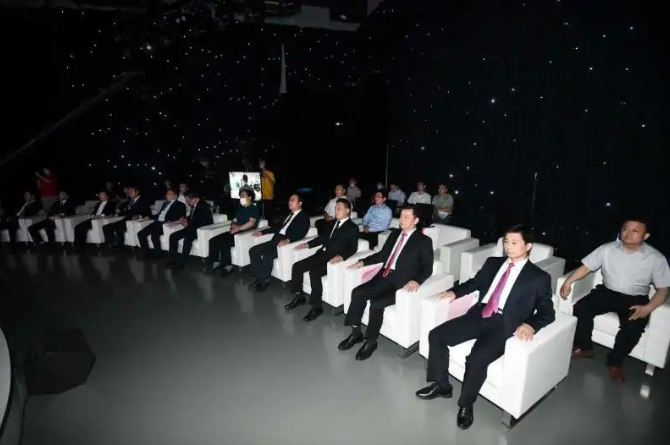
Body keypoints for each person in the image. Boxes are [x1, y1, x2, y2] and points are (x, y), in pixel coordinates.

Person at [416, 224, 554, 430]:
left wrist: (531, 324)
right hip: (479, 314)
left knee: (477, 358)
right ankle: (442, 385)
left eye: (514, 242)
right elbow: (475, 283)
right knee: (436, 335)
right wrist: (455, 292)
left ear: (528, 246)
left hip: (504, 325)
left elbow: (547, 312)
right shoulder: (493, 263)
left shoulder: (538, 277)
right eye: (506, 242)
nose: (508, 246)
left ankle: (466, 404)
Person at [560, 218, 670, 383]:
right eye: (626, 228)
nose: (628, 233)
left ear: (646, 236)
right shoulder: (607, 249)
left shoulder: (656, 258)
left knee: (633, 327)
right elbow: (586, 267)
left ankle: (615, 362)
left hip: (635, 298)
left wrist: (648, 308)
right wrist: (568, 281)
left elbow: (663, 290)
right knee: (582, 308)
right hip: (607, 292)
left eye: (635, 230)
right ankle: (585, 348)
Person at [339, 205, 433, 361]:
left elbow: (427, 267)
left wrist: (417, 281)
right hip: (384, 276)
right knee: (358, 293)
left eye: (406, 217)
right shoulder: (395, 234)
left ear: (416, 220)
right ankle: (356, 333)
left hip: (401, 283)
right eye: (401, 216)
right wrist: (363, 262)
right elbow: (383, 255)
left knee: (377, 303)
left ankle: (371, 341)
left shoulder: (423, 241)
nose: (401, 219)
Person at [286, 198, 359, 322]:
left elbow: (353, 248)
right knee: (297, 266)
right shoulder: (332, 223)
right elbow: (323, 238)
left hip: (332, 259)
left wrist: (341, 257)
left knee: (314, 273)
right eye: (335, 208)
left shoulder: (352, 227)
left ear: (347, 210)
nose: (336, 211)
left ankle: (317, 307)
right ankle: (299, 296)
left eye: (339, 208)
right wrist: (308, 244)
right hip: (321, 254)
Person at [248, 194, 310, 292]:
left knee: (268, 255)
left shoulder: (304, 217)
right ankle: (260, 276)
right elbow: (277, 227)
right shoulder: (288, 215)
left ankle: (265, 280)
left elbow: (301, 233)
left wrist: (288, 240)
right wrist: (263, 232)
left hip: (285, 242)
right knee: (253, 250)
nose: (289, 202)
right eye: (289, 200)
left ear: (300, 203)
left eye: (293, 200)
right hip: (276, 239)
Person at [207, 189, 259, 276]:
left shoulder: (253, 208)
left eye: (243, 196)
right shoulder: (240, 208)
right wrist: (233, 225)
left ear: (250, 197)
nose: (241, 198)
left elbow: (251, 223)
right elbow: (234, 220)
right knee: (213, 240)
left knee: (225, 242)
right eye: (240, 196)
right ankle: (215, 262)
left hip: (245, 232)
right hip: (235, 231)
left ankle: (228, 266)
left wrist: (238, 228)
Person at [168, 191, 214, 269]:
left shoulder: (203, 206)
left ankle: (182, 263)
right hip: (193, 227)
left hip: (202, 229)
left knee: (187, 239)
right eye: (186, 200)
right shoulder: (194, 205)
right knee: (173, 236)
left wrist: (188, 223)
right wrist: (183, 220)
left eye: (188, 200)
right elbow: (191, 217)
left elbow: (201, 221)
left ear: (196, 199)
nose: (187, 202)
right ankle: (173, 260)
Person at [137, 188, 186, 258]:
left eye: (169, 194)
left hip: (164, 224)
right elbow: (159, 215)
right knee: (140, 233)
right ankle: (146, 253)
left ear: (175, 196)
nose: (167, 195)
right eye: (167, 194)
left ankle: (158, 254)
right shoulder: (165, 204)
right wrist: (150, 217)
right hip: (157, 223)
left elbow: (181, 217)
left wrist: (171, 221)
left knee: (154, 235)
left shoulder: (180, 205)